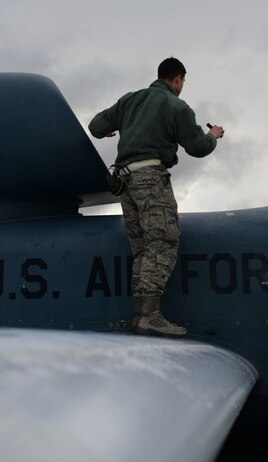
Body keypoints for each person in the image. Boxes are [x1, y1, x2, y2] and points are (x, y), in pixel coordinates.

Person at [88, 57, 224, 338]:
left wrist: (108, 131)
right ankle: (150, 315)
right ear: (178, 79)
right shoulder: (176, 106)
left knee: (142, 249)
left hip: (123, 181)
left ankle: (140, 316)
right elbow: (197, 148)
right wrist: (212, 135)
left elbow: (95, 126)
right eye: (183, 81)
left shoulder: (130, 100)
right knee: (162, 243)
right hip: (150, 178)